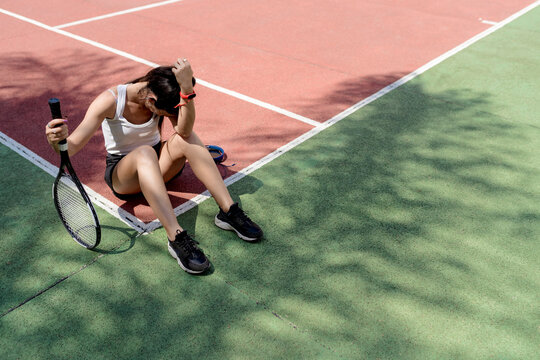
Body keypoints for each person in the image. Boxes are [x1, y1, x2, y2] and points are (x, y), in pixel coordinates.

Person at [45, 58, 263, 274]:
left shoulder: (164, 92)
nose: (165, 116)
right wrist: (57, 140)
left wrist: (187, 89)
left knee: (188, 138)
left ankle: (228, 211)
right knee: (145, 152)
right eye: (164, 113)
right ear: (150, 101)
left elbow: (184, 130)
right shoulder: (110, 100)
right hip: (125, 177)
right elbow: (70, 148)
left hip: (158, 166)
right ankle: (176, 237)